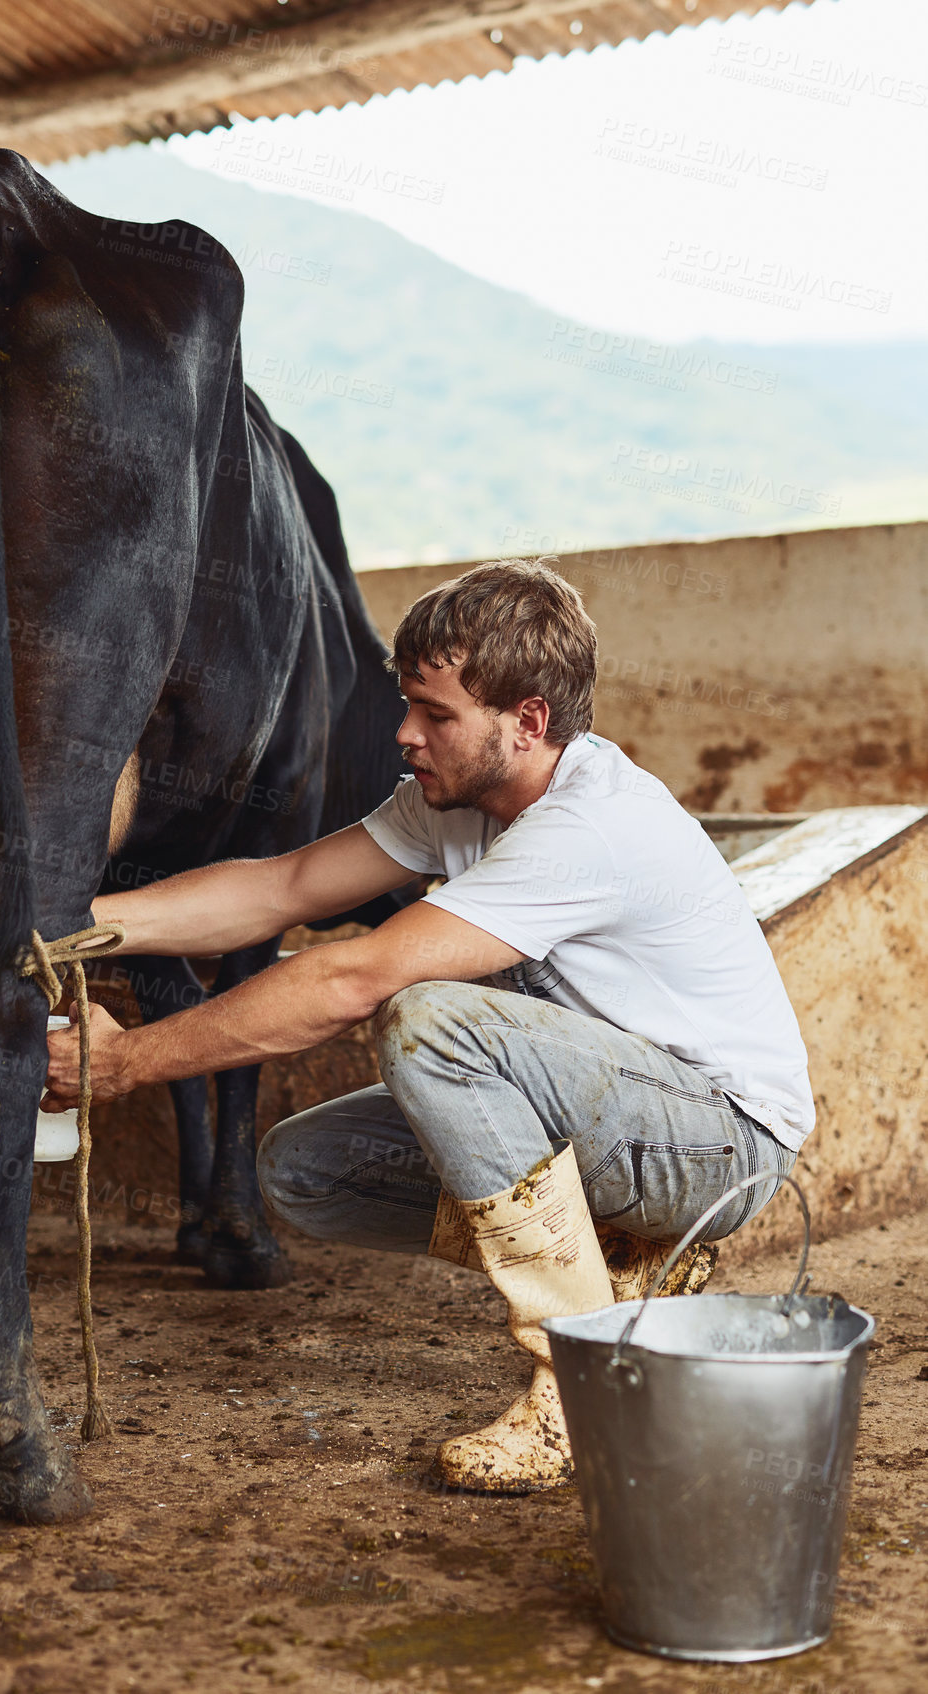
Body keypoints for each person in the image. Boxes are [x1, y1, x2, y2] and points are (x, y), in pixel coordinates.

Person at [44, 557, 813, 1492]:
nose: (405, 734)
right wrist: (63, 926)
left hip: (720, 1143)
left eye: (436, 715)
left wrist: (125, 1063)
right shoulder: (455, 803)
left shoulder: (589, 827)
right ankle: (621, 1265)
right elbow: (280, 888)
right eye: (408, 704)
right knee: (307, 1172)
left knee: (432, 1022)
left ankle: (579, 1385)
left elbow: (354, 976)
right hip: (621, 1125)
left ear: (528, 721)